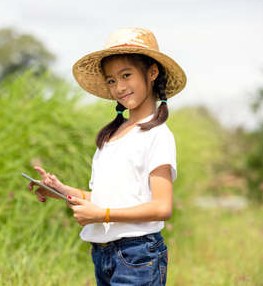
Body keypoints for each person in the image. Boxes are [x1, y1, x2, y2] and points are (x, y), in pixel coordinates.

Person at [27, 27, 186, 286]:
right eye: (112, 80)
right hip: (103, 254)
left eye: (126, 75)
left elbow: (162, 207)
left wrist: (104, 215)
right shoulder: (111, 136)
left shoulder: (158, 135)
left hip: (137, 255)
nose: (119, 87)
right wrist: (60, 190)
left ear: (152, 72)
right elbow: (107, 200)